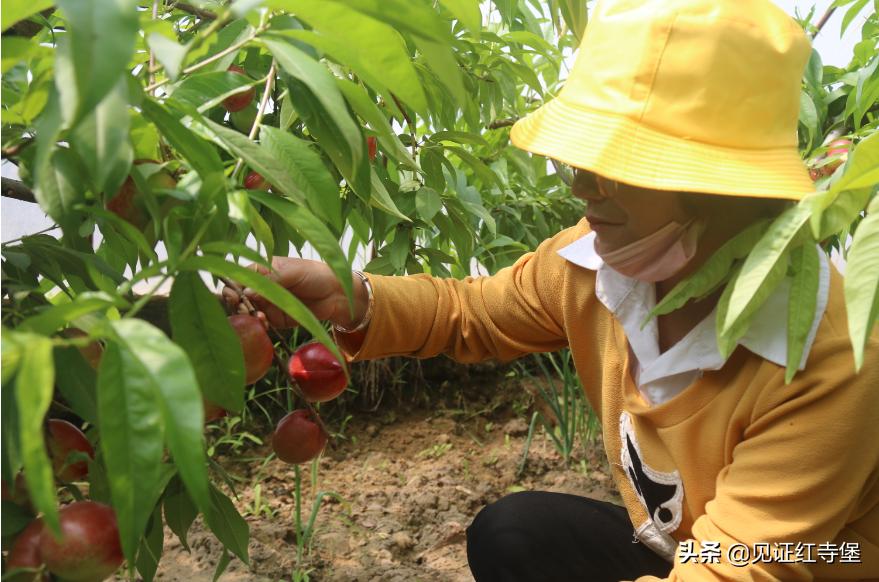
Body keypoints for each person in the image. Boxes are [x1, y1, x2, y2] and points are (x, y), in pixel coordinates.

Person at [225, 0, 879, 579]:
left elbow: (741, 565)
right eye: (580, 161)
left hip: (804, 565)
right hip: (682, 548)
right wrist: (355, 297)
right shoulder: (595, 262)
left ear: (720, 186)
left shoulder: (830, 359)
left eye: (618, 167)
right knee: (515, 536)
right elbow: (470, 313)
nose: (580, 188)